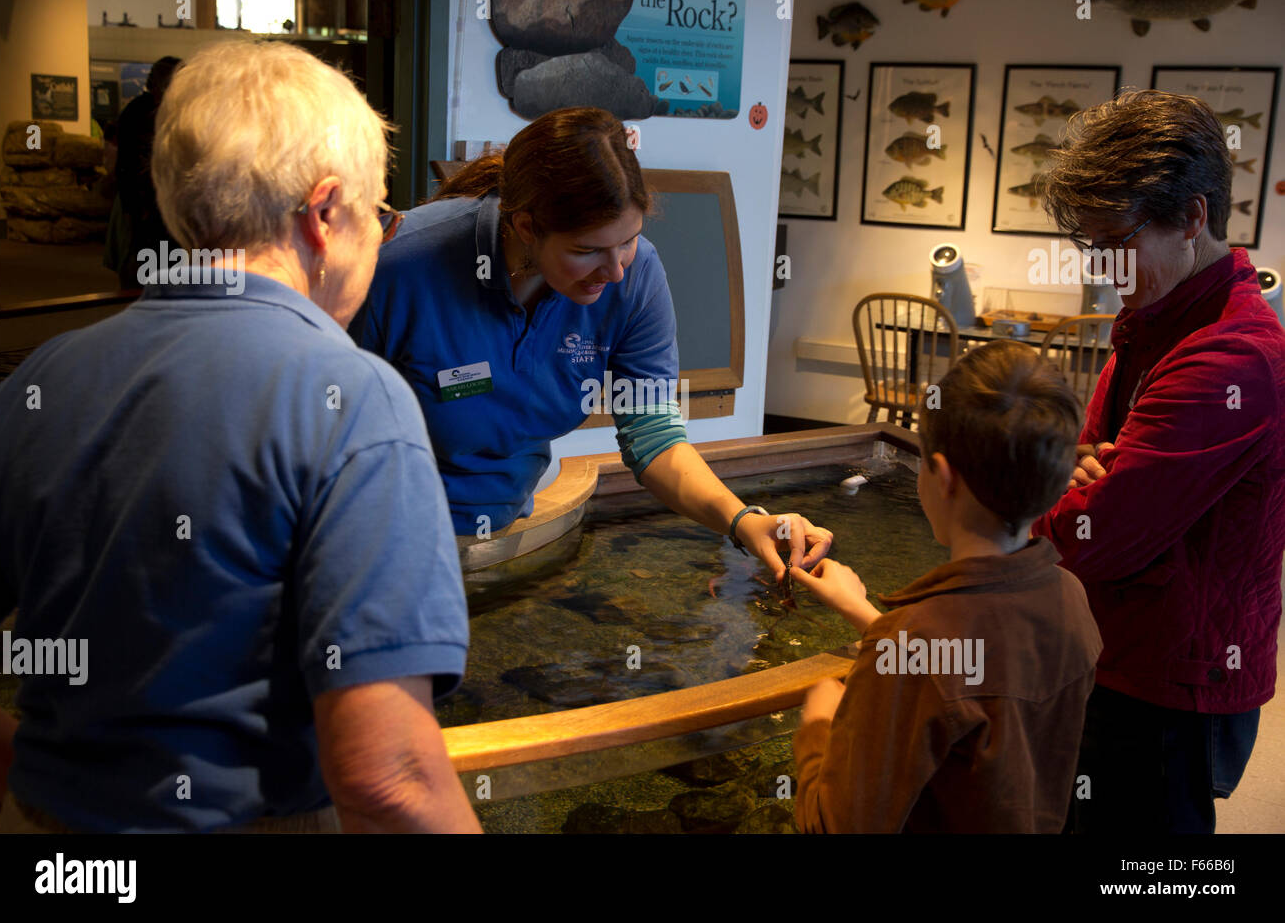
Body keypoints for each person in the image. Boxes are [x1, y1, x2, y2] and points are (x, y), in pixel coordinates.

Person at [0, 40, 479, 833]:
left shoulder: (36, 382)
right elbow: (388, 776)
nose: (382, 241)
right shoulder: (353, 400)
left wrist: (37, 787)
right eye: (380, 215)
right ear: (324, 214)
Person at [351, 107, 830, 582]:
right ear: (526, 228)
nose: (615, 271)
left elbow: (654, 434)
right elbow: (322, 443)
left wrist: (744, 520)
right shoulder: (396, 265)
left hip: (504, 537)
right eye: (586, 251)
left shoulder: (636, 276)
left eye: (629, 241)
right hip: (377, 542)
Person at [1030, 89, 1285, 834]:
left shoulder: (1230, 355)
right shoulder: (1155, 316)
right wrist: (1069, 470)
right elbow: (1080, 462)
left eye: (1117, 237)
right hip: (1122, 651)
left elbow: (1095, 533)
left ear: (1194, 218)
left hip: (1172, 678)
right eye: (1091, 240)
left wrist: (1031, 497)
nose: (1103, 263)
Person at [790, 341, 1102, 832]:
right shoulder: (1071, 597)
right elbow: (976, 665)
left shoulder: (913, 645)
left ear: (941, 476)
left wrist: (818, 728)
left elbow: (836, 826)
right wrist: (868, 614)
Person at [112, 55, 180, 289]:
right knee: (147, 261)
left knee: (170, 262)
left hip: (169, 204)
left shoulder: (176, 113)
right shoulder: (138, 113)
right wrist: (132, 207)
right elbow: (126, 164)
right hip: (145, 204)